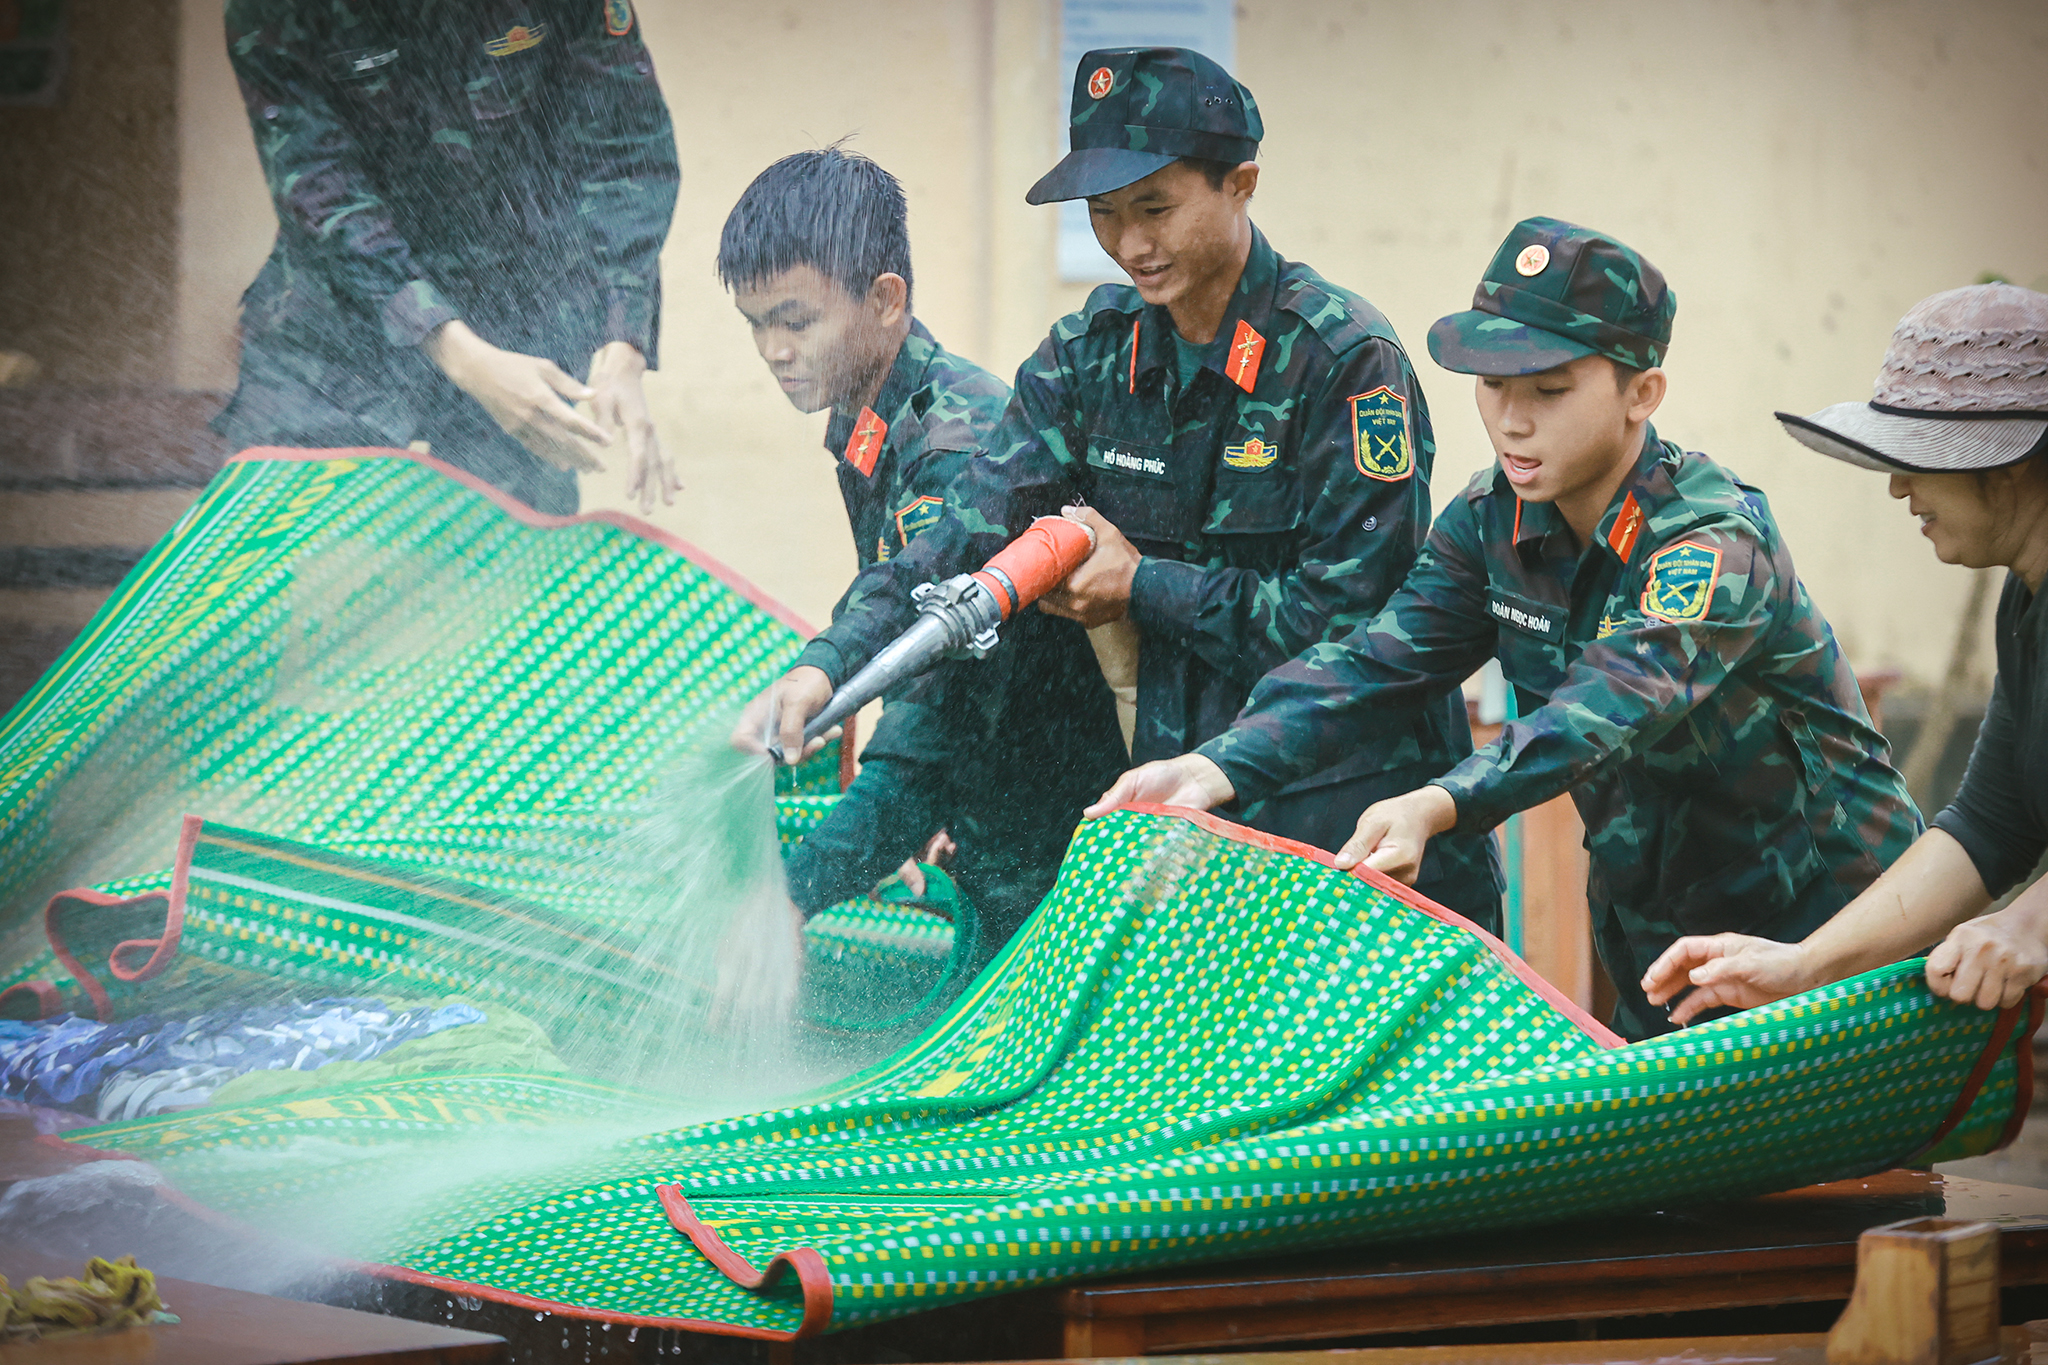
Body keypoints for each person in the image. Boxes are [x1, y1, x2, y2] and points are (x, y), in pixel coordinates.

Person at [1094, 217, 1922, 1040]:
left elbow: (1600, 711)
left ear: (1643, 393)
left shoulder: (1708, 543)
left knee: (1862, 1180)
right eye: (1492, 384)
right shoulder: (1494, 521)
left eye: (1548, 390)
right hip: (1667, 956)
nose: (1512, 421)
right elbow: (1371, 663)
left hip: (1832, 942)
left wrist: (1441, 801)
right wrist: (1213, 768)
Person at [748, 47, 1501, 927]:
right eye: (1104, 215)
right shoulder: (1086, 358)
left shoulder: (1341, 362)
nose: (1132, 245)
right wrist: (828, 664)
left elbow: (1355, 631)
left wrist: (1144, 583)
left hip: (1352, 842)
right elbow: (960, 533)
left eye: (1155, 208)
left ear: (1240, 184)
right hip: (1187, 844)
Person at [719, 147, 1126, 974]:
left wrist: (796, 889)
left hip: (1053, 844)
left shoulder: (955, 443)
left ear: (885, 300)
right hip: (990, 816)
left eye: (795, 320)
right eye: (756, 324)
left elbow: (938, 715)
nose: (773, 349)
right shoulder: (871, 416)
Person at [1643, 284, 2048, 1024]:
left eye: (1917, 460)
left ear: (2011, 464)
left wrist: (2034, 921)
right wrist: (1803, 964)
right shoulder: (2026, 603)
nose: (1897, 488)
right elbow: (1989, 826)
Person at [213, 0, 682, 516]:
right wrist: (458, 351)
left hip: (520, 322)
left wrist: (622, 340)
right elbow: (324, 194)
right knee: (278, 565)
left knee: (507, 575)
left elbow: (626, 149)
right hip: (336, 337)